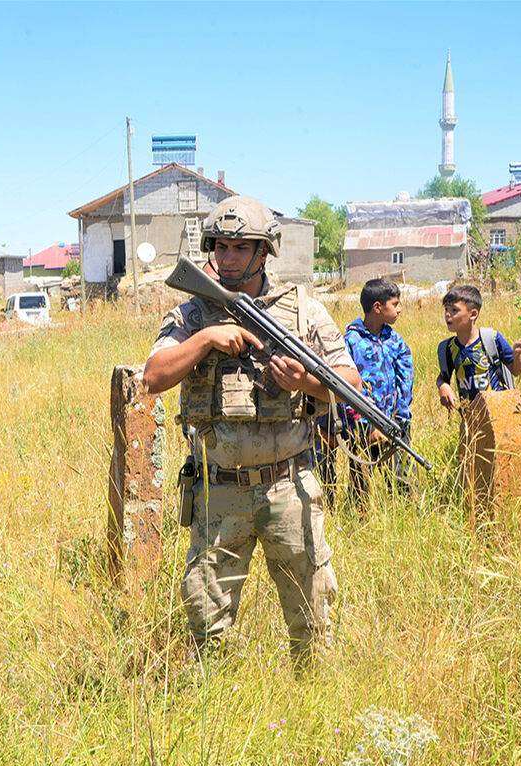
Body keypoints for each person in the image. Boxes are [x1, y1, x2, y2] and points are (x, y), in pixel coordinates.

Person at [143, 195, 362, 663]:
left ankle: (313, 713)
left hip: (289, 486)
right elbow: (154, 376)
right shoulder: (192, 315)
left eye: (241, 247)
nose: (227, 257)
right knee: (206, 626)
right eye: (220, 246)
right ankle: (211, 716)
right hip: (217, 492)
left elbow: (351, 385)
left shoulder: (302, 309)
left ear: (266, 252)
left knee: (314, 620)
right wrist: (206, 339)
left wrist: (307, 381)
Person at [315, 278, 415, 504]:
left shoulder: (395, 340)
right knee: (360, 478)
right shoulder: (350, 341)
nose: (399, 309)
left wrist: (399, 415)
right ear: (378, 308)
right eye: (395, 304)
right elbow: (345, 387)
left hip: (393, 421)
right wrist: (364, 421)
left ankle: (405, 511)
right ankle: (357, 517)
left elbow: (405, 379)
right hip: (360, 424)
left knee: (401, 476)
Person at [435, 283, 521, 408]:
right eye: (446, 309)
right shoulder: (448, 348)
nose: (448, 314)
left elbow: (518, 372)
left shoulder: (491, 339)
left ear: (473, 314)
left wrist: (517, 355)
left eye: (454, 310)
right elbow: (442, 377)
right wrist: (443, 386)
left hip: (499, 412)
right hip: (470, 418)